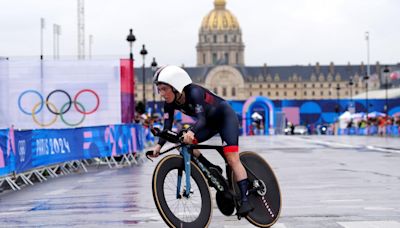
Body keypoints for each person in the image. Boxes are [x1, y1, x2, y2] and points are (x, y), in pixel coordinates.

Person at [150, 65, 253, 216]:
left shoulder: (194, 92)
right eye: (159, 90)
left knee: (232, 158)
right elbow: (167, 127)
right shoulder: (169, 104)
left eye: (164, 89)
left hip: (225, 118)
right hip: (208, 124)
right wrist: (158, 146)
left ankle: (245, 200)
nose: (161, 94)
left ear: (175, 86)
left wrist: (191, 131)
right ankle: (211, 168)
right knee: (181, 141)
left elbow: (201, 119)